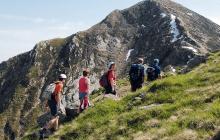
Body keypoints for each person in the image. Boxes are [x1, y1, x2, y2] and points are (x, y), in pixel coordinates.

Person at [40, 74, 67, 138]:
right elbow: (57, 95)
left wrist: (47, 103)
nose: (65, 81)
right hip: (54, 102)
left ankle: (55, 130)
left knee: (55, 116)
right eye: (65, 79)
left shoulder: (55, 83)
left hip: (50, 101)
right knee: (55, 117)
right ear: (63, 79)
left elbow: (51, 94)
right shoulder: (60, 85)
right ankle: (44, 129)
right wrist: (59, 103)